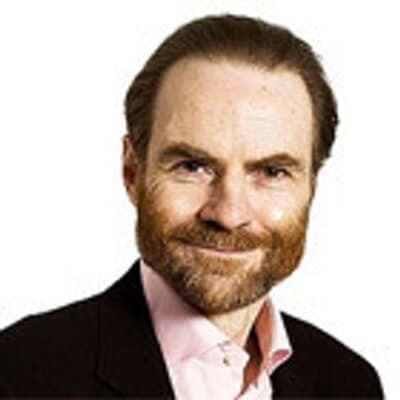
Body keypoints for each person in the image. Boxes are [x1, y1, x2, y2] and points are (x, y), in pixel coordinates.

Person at [0, 14, 383, 399]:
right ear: (132, 172)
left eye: (272, 172)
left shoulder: (349, 383)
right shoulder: (17, 373)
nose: (229, 214)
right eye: (192, 167)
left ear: (311, 187)